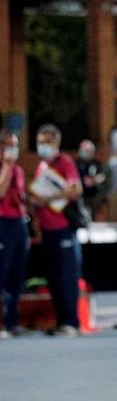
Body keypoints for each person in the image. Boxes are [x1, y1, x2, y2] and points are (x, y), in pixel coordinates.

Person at [27, 124, 83, 336]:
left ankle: (71, 322)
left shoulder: (65, 162)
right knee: (52, 278)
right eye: (40, 141)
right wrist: (35, 202)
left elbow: (75, 190)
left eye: (47, 141)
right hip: (48, 230)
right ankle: (61, 321)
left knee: (66, 277)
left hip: (64, 229)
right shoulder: (42, 166)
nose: (43, 146)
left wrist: (46, 198)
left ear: (56, 143)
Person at [0, 130, 28, 337]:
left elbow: (21, 196)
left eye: (15, 145)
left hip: (19, 224)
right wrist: (7, 166)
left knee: (17, 276)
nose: (13, 150)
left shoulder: (18, 170)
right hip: (3, 224)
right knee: (2, 271)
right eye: (9, 145)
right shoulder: (7, 168)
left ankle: (12, 321)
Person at [76, 140, 106, 217]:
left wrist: (94, 180)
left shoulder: (95, 163)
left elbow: (102, 176)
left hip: (94, 196)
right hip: (81, 197)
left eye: (88, 151)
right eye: (84, 150)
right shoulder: (76, 164)